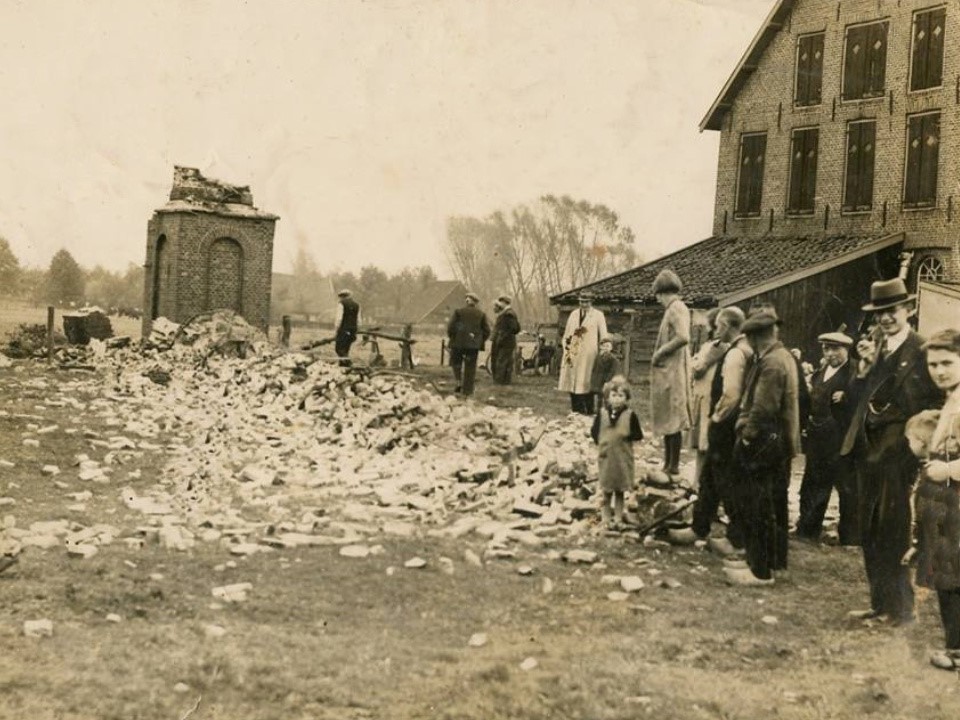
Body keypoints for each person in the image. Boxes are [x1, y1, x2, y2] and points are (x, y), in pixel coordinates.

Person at [841, 278, 942, 625]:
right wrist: (862, 371)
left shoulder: (924, 350)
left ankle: (901, 609)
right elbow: (856, 399)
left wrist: (921, 442)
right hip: (867, 449)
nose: (885, 319)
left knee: (893, 529)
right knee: (868, 527)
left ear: (909, 310)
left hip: (900, 454)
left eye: (892, 311)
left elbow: (936, 403)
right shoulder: (875, 348)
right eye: (880, 313)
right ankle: (879, 604)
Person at [726, 307, 800, 586]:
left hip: (764, 442)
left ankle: (759, 569)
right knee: (775, 505)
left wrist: (747, 435)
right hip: (780, 443)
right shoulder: (784, 357)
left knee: (758, 505)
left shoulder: (771, 364)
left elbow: (763, 407)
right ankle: (775, 562)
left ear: (757, 337)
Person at [671, 306, 750, 553]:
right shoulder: (744, 348)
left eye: (718, 326)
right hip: (728, 425)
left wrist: (716, 419)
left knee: (725, 481)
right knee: (710, 479)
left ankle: (735, 538)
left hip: (726, 425)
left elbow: (731, 394)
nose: (715, 330)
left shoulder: (737, 353)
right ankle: (699, 527)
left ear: (726, 326)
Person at [907, 329, 960, 670]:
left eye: (947, 363)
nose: (939, 371)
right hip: (945, 504)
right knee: (946, 575)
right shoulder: (951, 400)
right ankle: (954, 647)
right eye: (933, 364)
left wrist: (951, 470)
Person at [795, 328, 859, 545]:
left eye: (835, 349)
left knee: (846, 487)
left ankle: (850, 537)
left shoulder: (854, 372)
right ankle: (807, 530)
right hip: (818, 436)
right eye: (826, 348)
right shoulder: (821, 372)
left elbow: (864, 399)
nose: (830, 353)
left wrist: (849, 395)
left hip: (842, 440)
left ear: (846, 350)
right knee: (813, 482)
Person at [650, 269, 691, 475]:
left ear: (663, 292)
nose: (657, 300)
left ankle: (673, 464)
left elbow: (683, 336)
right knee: (668, 416)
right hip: (670, 370)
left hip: (674, 371)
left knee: (673, 418)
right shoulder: (674, 309)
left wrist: (660, 353)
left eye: (657, 295)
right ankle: (668, 463)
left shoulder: (676, 308)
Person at [591, 375, 644, 530]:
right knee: (606, 489)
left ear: (626, 398)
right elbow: (595, 432)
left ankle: (619, 517)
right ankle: (606, 518)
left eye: (621, 396)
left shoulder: (630, 415)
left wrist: (626, 435)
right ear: (607, 397)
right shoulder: (602, 414)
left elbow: (638, 434)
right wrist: (601, 443)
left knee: (620, 490)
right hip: (607, 457)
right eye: (614, 395)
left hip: (622, 458)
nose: (617, 399)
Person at [688, 309, 727, 485]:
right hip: (701, 395)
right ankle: (698, 481)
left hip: (708, 396)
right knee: (700, 445)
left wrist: (694, 361)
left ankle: (703, 482)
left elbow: (697, 368)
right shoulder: (709, 345)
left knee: (705, 441)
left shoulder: (717, 347)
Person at [559, 291, 608, 415]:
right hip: (573, 352)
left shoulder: (598, 315)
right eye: (581, 301)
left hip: (589, 353)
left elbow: (603, 335)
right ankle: (576, 410)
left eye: (586, 302)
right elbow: (567, 333)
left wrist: (604, 349)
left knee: (586, 381)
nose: (583, 304)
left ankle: (589, 410)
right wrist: (567, 346)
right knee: (572, 381)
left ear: (591, 302)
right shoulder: (574, 314)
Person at [446, 291, 491, 397]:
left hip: (457, 344)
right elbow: (487, 331)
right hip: (472, 345)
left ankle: (458, 381)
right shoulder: (481, 314)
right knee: (470, 367)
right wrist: (479, 340)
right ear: (475, 303)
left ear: (467, 301)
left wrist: (453, 338)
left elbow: (450, 327)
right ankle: (468, 390)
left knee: (456, 363)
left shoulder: (458, 312)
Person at [490, 295, 521, 385]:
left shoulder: (509, 314)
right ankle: (505, 382)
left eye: (501, 302)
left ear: (504, 302)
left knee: (501, 361)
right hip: (506, 341)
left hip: (505, 342)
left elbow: (514, 328)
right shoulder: (507, 313)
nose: (500, 304)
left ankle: (499, 382)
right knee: (505, 361)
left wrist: (502, 336)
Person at [590, 335, 622, 410]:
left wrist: (608, 380)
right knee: (599, 396)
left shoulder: (613, 359)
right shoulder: (598, 356)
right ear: (600, 347)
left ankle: (608, 410)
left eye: (607, 346)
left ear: (611, 348)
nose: (605, 348)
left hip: (606, 380)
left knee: (606, 396)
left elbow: (613, 371)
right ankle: (598, 411)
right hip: (597, 379)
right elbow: (595, 368)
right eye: (603, 346)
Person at [334, 289, 361, 367]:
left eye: (341, 297)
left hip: (344, 329)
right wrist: (356, 330)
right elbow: (359, 319)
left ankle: (348, 363)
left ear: (342, 296)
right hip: (353, 330)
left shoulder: (341, 304)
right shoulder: (357, 305)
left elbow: (339, 318)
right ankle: (343, 365)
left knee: (339, 348)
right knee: (346, 348)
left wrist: (336, 330)